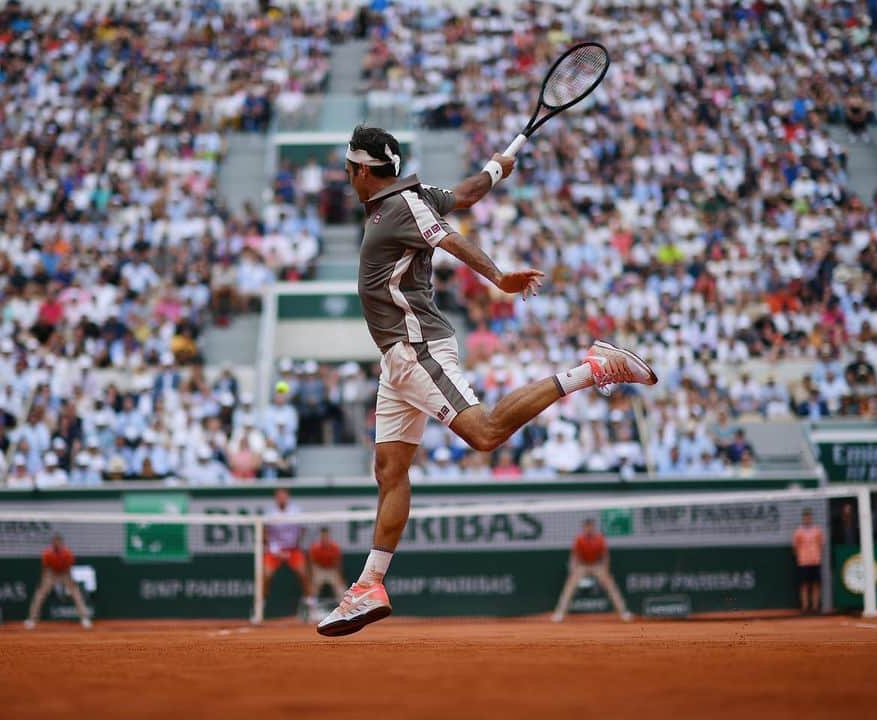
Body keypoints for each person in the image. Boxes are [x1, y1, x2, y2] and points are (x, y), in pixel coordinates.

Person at [317, 126, 657, 637]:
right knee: (390, 469)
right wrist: (498, 167)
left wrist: (498, 278)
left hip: (418, 348)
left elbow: (450, 239)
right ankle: (369, 585)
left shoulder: (403, 208)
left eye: (349, 168)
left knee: (485, 433)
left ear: (363, 171)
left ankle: (594, 368)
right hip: (396, 359)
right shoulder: (412, 195)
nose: (347, 176)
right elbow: (469, 193)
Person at [552, 518, 631, 623]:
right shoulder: (579, 539)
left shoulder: (600, 539)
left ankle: (623, 612)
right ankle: (560, 613)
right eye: (587, 527)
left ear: (593, 527)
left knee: (611, 585)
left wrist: (605, 569)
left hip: (596, 565)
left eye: (591, 526)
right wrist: (573, 570)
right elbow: (574, 556)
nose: (589, 529)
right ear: (584, 528)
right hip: (582, 565)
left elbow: (605, 556)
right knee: (569, 587)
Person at [261, 488, 315, 620]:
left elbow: (302, 529)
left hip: (293, 549)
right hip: (274, 550)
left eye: (284, 496)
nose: (281, 499)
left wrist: (296, 544)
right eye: (279, 497)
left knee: (304, 574)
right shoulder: (270, 513)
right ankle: (260, 605)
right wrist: (274, 548)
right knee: (265, 576)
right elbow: (264, 532)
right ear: (276, 499)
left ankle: (309, 604)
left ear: (288, 498)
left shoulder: (296, 511)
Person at [25, 534, 92, 629]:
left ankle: (85, 619)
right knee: (39, 595)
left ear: (62, 543)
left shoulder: (67, 553)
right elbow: (45, 568)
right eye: (55, 542)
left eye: (59, 542)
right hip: (51, 573)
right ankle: (32, 620)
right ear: (52, 543)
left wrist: (71, 581)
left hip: (64, 573)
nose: (57, 543)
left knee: (76, 595)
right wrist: (43, 581)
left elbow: (68, 568)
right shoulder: (47, 553)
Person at [792, 508, 825, 614]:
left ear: (811, 518)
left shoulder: (817, 530)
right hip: (803, 562)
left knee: (816, 584)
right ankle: (805, 607)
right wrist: (801, 556)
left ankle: (815, 607)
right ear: (803, 518)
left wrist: (816, 555)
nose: (807, 519)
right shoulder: (798, 531)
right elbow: (795, 547)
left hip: (815, 561)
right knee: (804, 584)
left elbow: (821, 544)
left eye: (809, 517)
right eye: (805, 517)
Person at [308, 527, 348, 608]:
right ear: (320, 536)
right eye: (323, 536)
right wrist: (313, 576)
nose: (324, 538)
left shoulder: (334, 547)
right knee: (313, 588)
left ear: (329, 536)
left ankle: (345, 608)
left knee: (340, 588)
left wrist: (340, 577)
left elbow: (337, 564)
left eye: (326, 536)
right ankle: (310, 610)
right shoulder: (315, 548)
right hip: (319, 569)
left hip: (331, 569)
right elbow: (313, 564)